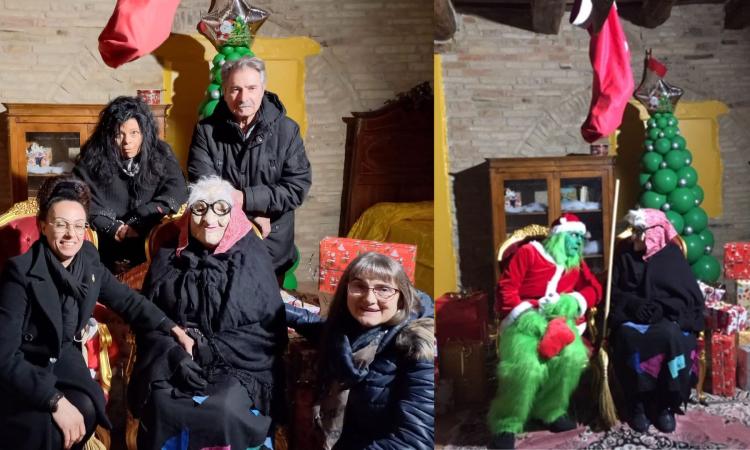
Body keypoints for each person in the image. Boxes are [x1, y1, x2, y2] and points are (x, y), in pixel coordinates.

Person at [0, 175, 193, 450]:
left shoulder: (88, 258)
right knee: (46, 426)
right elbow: (5, 356)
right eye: (61, 225)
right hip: (26, 363)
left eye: (79, 226)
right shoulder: (20, 273)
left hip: (63, 353)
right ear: (43, 226)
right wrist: (53, 400)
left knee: (88, 409)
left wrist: (171, 327)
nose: (71, 235)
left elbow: (126, 299)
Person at [129, 176, 287, 450]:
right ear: (189, 216)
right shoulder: (169, 258)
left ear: (234, 215)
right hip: (176, 359)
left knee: (223, 410)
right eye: (200, 209)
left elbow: (266, 330)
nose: (209, 218)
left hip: (238, 365)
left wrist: (208, 350)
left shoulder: (253, 257)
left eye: (220, 208)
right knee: (162, 403)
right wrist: (174, 356)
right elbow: (150, 321)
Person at [285, 252, 435, 450]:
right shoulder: (349, 333)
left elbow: (415, 440)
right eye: (359, 286)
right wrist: (273, 305)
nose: (369, 298)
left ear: (401, 296)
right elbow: (316, 325)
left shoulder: (419, 347)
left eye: (384, 289)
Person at [188, 55, 312, 280]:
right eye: (235, 89)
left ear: (263, 89)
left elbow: (296, 187)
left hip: (270, 241)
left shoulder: (287, 131)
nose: (243, 97)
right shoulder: (206, 132)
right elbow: (202, 184)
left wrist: (245, 199)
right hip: (221, 239)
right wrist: (249, 217)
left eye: (251, 88)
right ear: (224, 92)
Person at [488, 213, 603, 449]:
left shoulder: (576, 262)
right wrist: (528, 316)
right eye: (573, 236)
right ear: (558, 237)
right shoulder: (529, 253)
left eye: (581, 237)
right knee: (527, 367)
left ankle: (551, 409)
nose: (578, 242)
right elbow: (506, 289)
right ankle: (506, 422)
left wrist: (574, 300)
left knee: (572, 357)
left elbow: (595, 288)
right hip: (523, 321)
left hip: (560, 321)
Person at [609, 208, 704, 433]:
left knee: (672, 337)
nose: (633, 236)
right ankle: (638, 404)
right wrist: (634, 304)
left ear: (654, 233)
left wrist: (663, 307)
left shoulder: (672, 256)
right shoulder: (624, 254)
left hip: (666, 318)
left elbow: (690, 300)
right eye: (633, 230)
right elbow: (612, 292)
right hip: (632, 316)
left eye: (639, 231)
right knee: (627, 337)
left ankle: (665, 404)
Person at [74, 95, 187, 273]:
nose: (127, 142)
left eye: (134, 133)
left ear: (144, 133)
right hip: (103, 243)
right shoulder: (92, 156)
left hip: (149, 241)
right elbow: (77, 196)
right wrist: (111, 227)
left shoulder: (160, 152)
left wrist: (141, 219)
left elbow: (177, 189)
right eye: (119, 134)